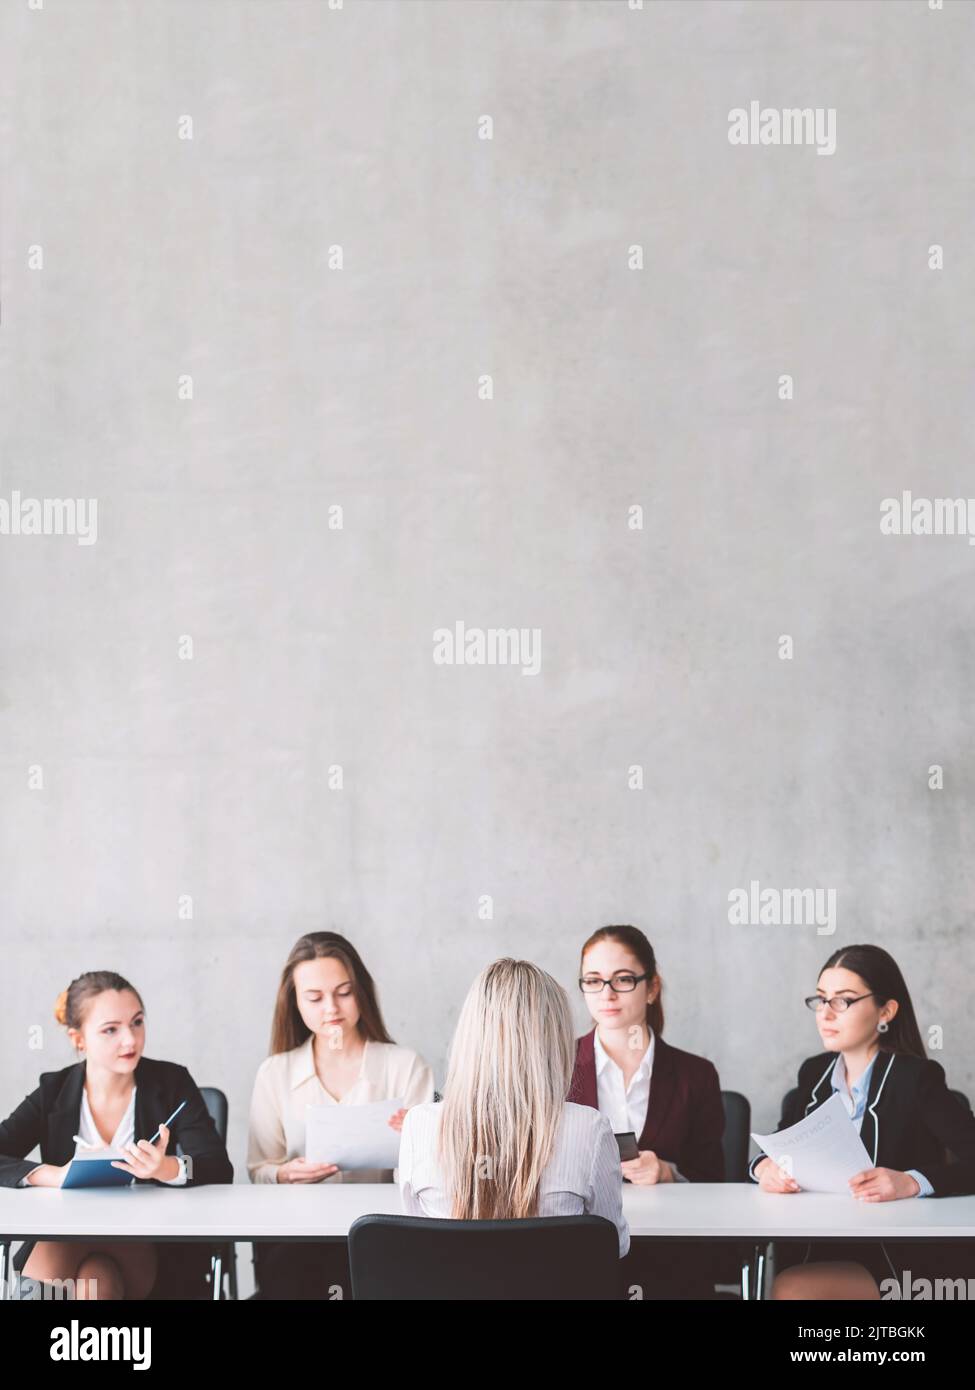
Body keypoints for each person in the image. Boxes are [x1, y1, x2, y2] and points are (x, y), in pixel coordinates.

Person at [752, 943, 975, 1299]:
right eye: (821, 999)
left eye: (843, 1001)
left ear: (885, 1011)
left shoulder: (916, 1078)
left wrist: (911, 1183)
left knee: (791, 1289)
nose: (826, 1014)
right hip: (823, 1243)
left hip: (899, 1258)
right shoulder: (814, 1073)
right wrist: (765, 1168)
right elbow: (778, 1141)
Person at [0, 971, 233, 1299]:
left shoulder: (171, 1082)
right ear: (78, 1039)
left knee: (94, 1274)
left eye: (137, 1023)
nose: (130, 1039)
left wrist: (165, 1168)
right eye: (111, 1029)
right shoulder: (54, 1091)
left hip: (150, 1244)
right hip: (70, 1237)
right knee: (97, 1277)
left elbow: (217, 1167)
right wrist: (53, 1175)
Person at [399, 958, 630, 1270]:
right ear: (554, 1040)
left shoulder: (419, 1125)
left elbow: (417, 1240)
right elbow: (612, 1244)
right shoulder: (590, 1129)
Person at [247, 931, 434, 1298]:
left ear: (361, 992)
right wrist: (285, 1173)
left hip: (382, 1233)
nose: (331, 1009)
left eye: (343, 993)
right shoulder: (275, 1072)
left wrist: (414, 1140)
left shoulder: (404, 1066)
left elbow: (428, 1179)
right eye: (314, 998)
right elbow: (259, 1168)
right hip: (299, 1234)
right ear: (295, 1002)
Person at [568, 925, 725, 1298]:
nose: (606, 993)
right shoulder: (557, 1065)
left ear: (652, 987)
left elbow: (717, 1179)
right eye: (593, 980)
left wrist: (670, 1172)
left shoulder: (695, 1075)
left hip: (671, 1251)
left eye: (622, 980)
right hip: (579, 1248)